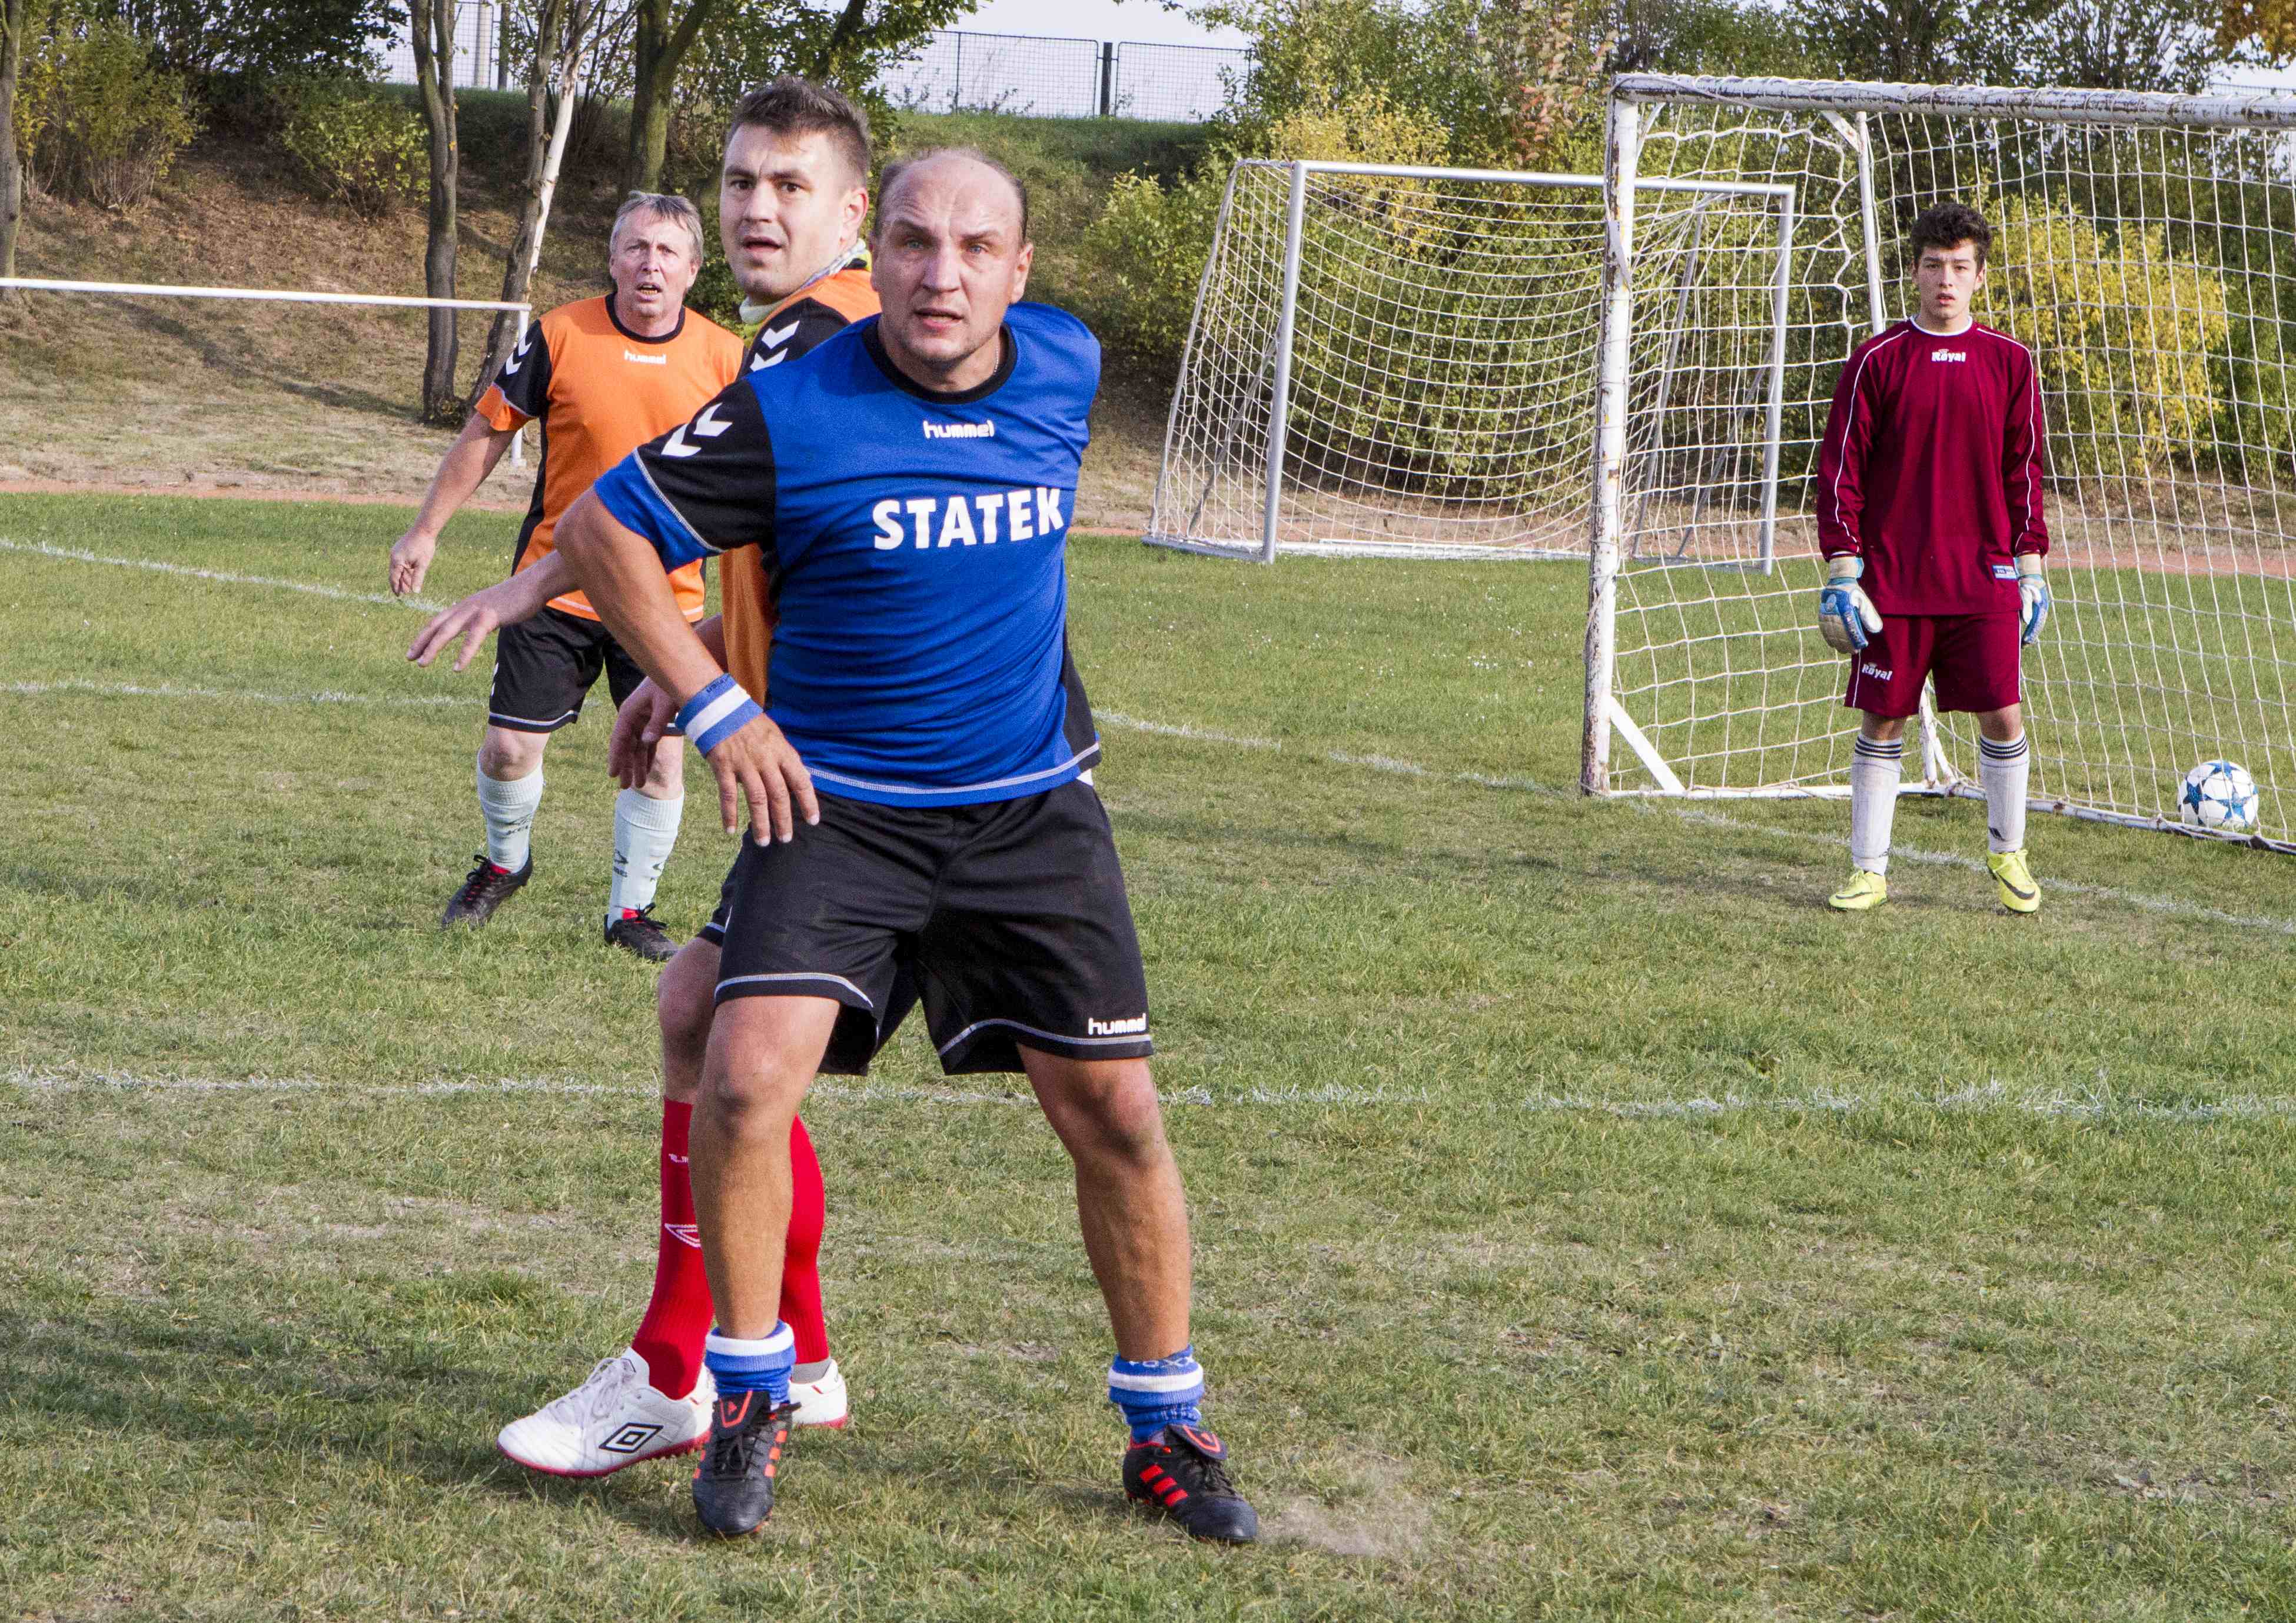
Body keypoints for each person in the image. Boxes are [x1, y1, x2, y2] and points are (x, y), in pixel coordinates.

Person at [546, 146, 1260, 1544]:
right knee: (748, 1084)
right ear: (884, 252)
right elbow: (596, 530)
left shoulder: (1065, 370)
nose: (942, 276)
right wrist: (709, 699)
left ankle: (1166, 1424)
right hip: (839, 810)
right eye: (918, 245)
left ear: (1021, 269)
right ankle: (750, 1400)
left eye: (976, 249)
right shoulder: (789, 409)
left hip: (1028, 812)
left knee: (1115, 1113)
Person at [411, 80, 883, 1479]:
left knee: (732, 1050)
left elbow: (639, 520)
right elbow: (678, 511)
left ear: (852, 207)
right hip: (835, 750)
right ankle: (791, 1348)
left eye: (787, 186)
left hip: (858, 769)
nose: (753, 210)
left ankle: (687, 1367)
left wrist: (550, 618)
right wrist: (687, 689)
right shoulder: (795, 344)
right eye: (741, 182)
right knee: (716, 1028)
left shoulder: (831, 343)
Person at [389, 193, 742, 961]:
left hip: (665, 601)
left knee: (658, 756)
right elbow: (487, 433)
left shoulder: (727, 358)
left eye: (667, 252)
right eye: (635, 248)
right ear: (613, 259)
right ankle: (505, 862)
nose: (650, 264)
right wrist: (425, 530)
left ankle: (630, 911)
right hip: (554, 585)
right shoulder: (559, 333)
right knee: (510, 750)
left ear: (692, 268)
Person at [1813, 200, 2051, 914]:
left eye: (1958, 267)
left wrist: (2032, 566)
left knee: (2003, 715)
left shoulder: (2011, 362)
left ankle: (2008, 853)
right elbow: (1839, 470)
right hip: (1892, 582)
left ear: (1979, 275)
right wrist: (1842, 567)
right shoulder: (1876, 360)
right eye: (1931, 266)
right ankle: (1867, 869)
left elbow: (2025, 470)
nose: (1944, 279)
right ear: (1913, 272)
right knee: (1882, 723)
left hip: (1984, 579)